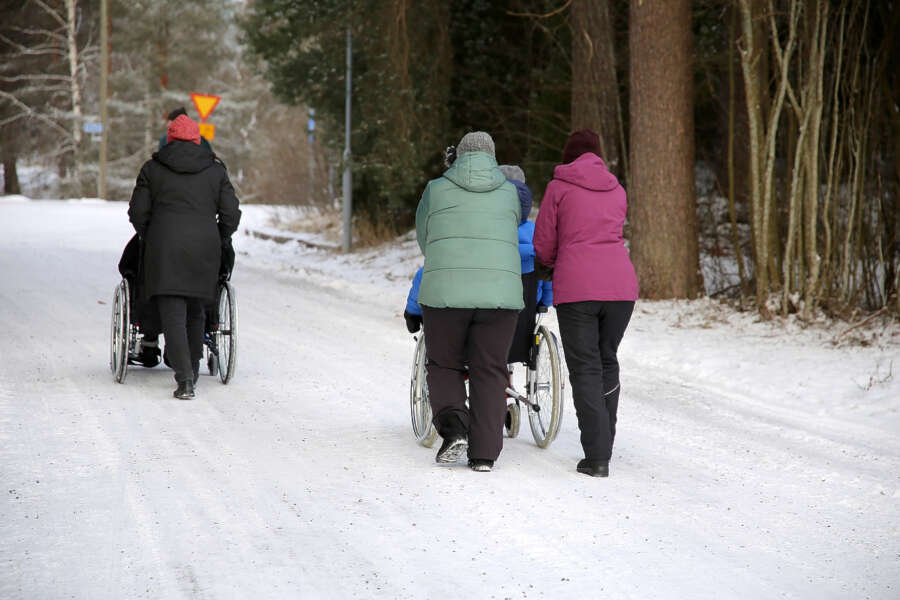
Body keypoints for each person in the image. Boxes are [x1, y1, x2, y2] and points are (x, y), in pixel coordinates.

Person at [533, 129, 638, 477]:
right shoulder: (617, 189)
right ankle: (604, 441)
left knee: (585, 367)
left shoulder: (558, 187)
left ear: (568, 155)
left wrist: (546, 266)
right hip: (621, 288)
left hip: (578, 288)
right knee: (607, 358)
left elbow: (545, 240)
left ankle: (597, 456)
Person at [415, 131, 523, 472]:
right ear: (492, 157)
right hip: (500, 297)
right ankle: (484, 455)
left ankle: (454, 429)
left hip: (446, 292)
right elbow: (513, 228)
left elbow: (425, 236)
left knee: (445, 363)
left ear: (458, 157)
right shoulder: (509, 193)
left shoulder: (435, 189)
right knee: (490, 370)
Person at [129, 114, 241, 399]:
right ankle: (190, 369)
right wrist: (219, 236)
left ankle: (185, 380)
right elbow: (230, 214)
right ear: (196, 138)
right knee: (195, 310)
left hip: (164, 248)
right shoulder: (215, 170)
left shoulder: (152, 169)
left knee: (172, 312)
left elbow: (138, 212)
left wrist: (151, 235)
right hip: (204, 249)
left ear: (170, 138)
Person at [498, 164, 552, 364]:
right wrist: (545, 301)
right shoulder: (535, 231)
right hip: (527, 304)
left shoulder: (488, 232)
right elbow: (547, 269)